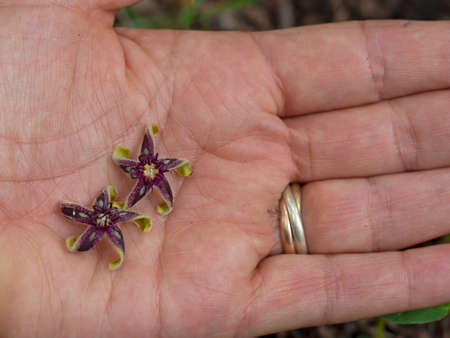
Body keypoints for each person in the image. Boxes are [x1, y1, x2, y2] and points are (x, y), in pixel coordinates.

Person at [0, 1, 449, 337]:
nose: (105, 216)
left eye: (107, 215)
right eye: (106, 217)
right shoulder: (124, 201)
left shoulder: (139, 187)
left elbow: (136, 197)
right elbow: (126, 203)